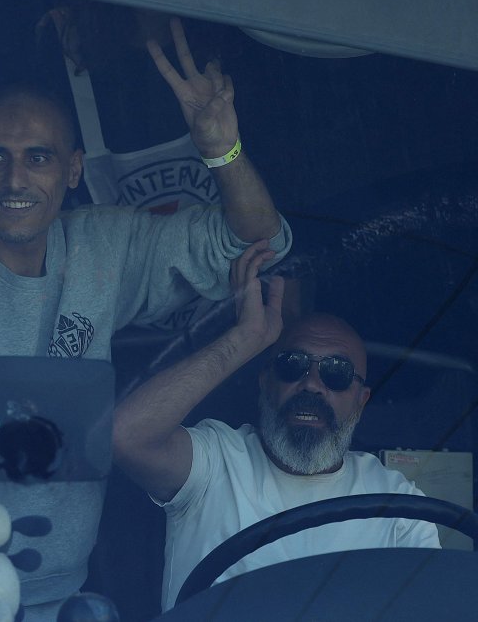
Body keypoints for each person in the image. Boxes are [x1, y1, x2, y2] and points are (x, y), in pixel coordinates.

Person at [0, 18, 291, 620]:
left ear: (73, 170)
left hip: (52, 587)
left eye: (38, 158)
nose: (15, 179)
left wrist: (223, 148)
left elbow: (257, 239)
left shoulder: (102, 249)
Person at [113, 241, 440, 611]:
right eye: (292, 364)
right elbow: (127, 437)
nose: (312, 384)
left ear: (361, 400)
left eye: (336, 373)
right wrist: (246, 338)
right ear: (265, 381)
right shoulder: (216, 461)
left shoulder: (399, 507)